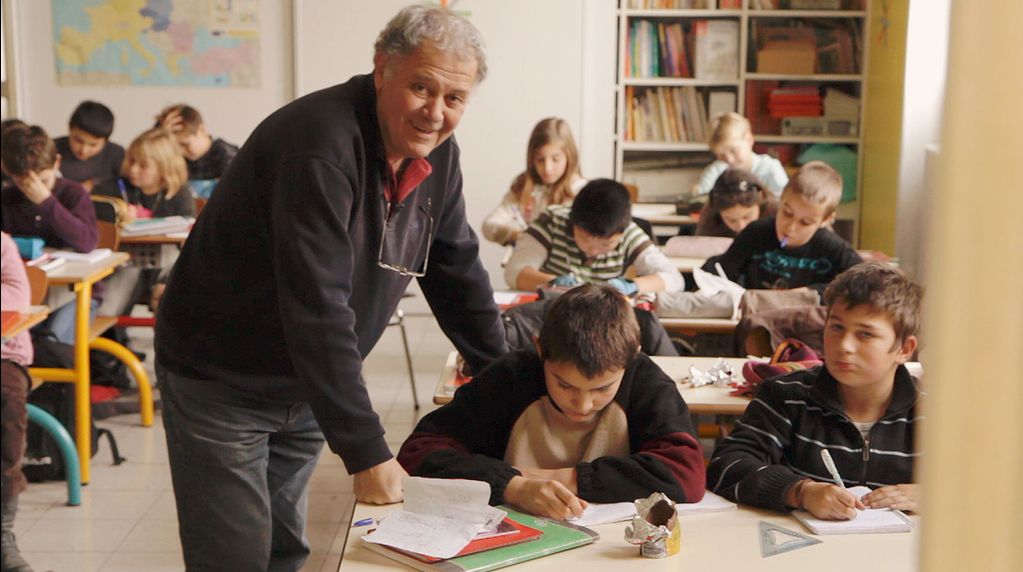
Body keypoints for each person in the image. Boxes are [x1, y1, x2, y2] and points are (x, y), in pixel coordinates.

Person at [153, 6, 508, 570]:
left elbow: (456, 267)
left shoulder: (436, 152)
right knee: (236, 557)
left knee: (284, 549)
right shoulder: (321, 144)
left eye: (454, 99)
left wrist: (507, 384)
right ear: (381, 68)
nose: (435, 113)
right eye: (421, 87)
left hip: (307, 384)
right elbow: (317, 306)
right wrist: (366, 449)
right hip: (222, 380)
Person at [398, 284, 705, 519]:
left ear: (632, 355)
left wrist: (565, 479)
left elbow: (686, 474)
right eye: (564, 384)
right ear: (540, 349)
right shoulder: (510, 377)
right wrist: (511, 485)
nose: (582, 405)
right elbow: (417, 453)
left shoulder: (646, 381)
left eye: (602, 389)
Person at [707, 262, 922, 519]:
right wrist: (801, 491)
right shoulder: (786, 395)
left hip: (898, 556)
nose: (845, 346)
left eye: (865, 334)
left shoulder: (935, 412)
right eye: (837, 327)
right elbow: (726, 465)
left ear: (904, 349)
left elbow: (980, 482)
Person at [701, 161, 862, 296]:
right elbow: (721, 270)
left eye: (805, 222)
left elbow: (862, 285)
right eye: (787, 213)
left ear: (826, 220)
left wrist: (811, 292)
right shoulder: (756, 232)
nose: (791, 228)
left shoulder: (834, 248)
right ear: (780, 199)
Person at [0, 125, 99, 345]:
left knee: (51, 341)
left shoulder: (73, 194)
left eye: (41, 181)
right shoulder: (7, 198)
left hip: (73, 293)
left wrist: (46, 201)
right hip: (26, 290)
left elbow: (87, 242)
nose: (30, 189)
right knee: (18, 338)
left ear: (57, 163)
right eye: (22, 183)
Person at [503, 178, 683, 298]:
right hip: (553, 312)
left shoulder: (628, 233)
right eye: (585, 238)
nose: (593, 250)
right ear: (572, 221)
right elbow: (514, 272)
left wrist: (631, 285)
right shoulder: (551, 222)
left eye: (606, 244)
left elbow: (674, 279)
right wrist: (554, 283)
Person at [482, 117, 585, 246]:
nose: (547, 168)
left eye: (556, 159)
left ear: (570, 156)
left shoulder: (581, 192)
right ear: (531, 159)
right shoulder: (525, 187)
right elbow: (489, 225)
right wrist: (515, 234)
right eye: (540, 159)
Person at [1, 232, 35, 572]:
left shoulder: (2, 245)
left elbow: (15, 298)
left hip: (3, 355)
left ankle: (2, 534)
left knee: (8, 406)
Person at [154, 104, 239, 198]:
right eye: (173, 147)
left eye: (185, 144)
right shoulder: (173, 157)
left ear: (202, 130)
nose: (180, 152)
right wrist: (160, 138)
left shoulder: (227, 156)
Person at [694, 112, 788, 197]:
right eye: (721, 155)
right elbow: (699, 200)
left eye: (733, 150)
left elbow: (783, 203)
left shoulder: (770, 168)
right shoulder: (715, 171)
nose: (729, 160)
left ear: (749, 140)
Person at [114, 127, 196, 219]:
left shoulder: (180, 193)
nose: (133, 169)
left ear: (164, 168)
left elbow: (188, 227)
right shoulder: (118, 186)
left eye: (143, 165)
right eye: (132, 161)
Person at [53, 100, 125, 192]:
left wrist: (94, 183)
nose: (84, 150)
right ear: (70, 129)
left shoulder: (116, 154)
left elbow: (126, 184)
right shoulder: (52, 149)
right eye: (78, 141)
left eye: (93, 145)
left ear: (106, 141)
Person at [696, 167, 777, 238]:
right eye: (731, 220)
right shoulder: (710, 221)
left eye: (747, 217)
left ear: (761, 197)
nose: (741, 226)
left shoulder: (777, 215)